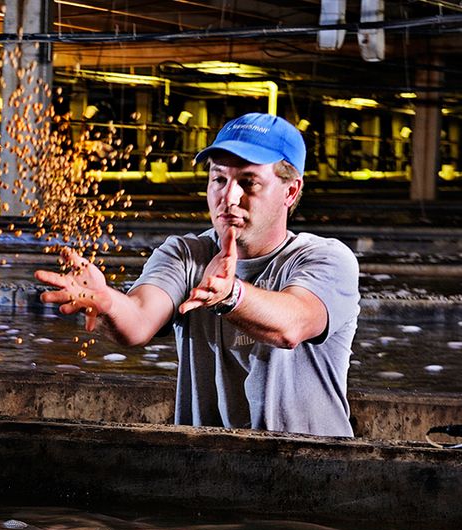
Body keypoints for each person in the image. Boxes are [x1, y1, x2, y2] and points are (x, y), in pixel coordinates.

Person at [36, 112, 360, 438]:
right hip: (208, 458)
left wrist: (231, 295)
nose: (229, 197)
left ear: (290, 192)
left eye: (248, 182)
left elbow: (292, 324)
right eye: (219, 179)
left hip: (311, 459)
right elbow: (138, 320)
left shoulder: (326, 259)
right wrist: (108, 303)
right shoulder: (186, 255)